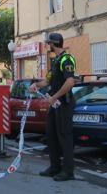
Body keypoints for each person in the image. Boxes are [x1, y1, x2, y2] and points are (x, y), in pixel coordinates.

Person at [29, 33, 76, 181]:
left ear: (53, 44)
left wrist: (55, 97)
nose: (48, 45)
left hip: (64, 104)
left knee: (64, 137)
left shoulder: (66, 59)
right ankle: (55, 167)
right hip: (55, 105)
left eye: (49, 43)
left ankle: (68, 171)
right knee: (51, 135)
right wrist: (35, 84)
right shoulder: (56, 61)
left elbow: (70, 82)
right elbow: (47, 81)